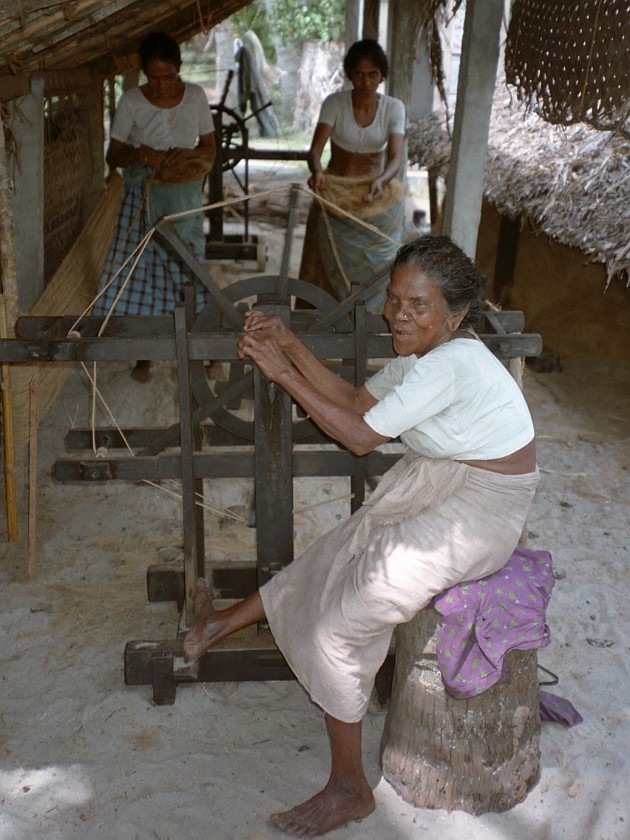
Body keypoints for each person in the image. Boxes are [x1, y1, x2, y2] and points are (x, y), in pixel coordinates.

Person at [184, 234, 539, 837]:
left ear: (453, 315)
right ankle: (219, 623)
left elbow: (357, 436)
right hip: (449, 480)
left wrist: (279, 371)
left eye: (418, 305)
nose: (400, 314)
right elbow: (354, 399)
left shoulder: (450, 364)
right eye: (396, 299)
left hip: (484, 509)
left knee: (341, 625)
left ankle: (350, 788)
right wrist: (288, 343)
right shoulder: (424, 354)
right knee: (339, 548)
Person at [92, 32, 216, 382]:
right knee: (138, 268)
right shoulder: (131, 101)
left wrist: (186, 153)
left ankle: (205, 348)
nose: (161, 86)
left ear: (179, 70)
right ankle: (143, 353)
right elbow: (113, 155)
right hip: (141, 190)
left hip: (183, 193)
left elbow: (209, 149)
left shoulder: (195, 97)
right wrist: (139, 154)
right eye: (154, 78)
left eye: (169, 77)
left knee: (188, 263)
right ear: (144, 73)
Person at [299, 39, 406, 313]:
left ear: (382, 76)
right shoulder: (334, 103)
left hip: (374, 191)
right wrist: (319, 173)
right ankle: (322, 316)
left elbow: (395, 158)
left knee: (382, 258)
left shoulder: (394, 108)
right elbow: (314, 152)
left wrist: (382, 181)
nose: (366, 81)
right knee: (324, 256)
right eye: (359, 74)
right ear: (349, 75)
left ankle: (372, 316)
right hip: (335, 188)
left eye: (373, 75)